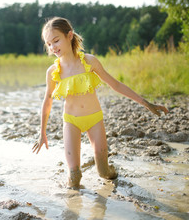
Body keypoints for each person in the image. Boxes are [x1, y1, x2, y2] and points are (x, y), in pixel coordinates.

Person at [32, 17, 168, 188]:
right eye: (48, 44)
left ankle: (113, 172)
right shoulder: (53, 71)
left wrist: (146, 103)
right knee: (74, 178)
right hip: (71, 121)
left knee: (104, 173)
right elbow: (47, 101)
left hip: (94, 119)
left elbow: (115, 84)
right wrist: (42, 132)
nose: (53, 47)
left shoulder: (89, 61)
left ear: (69, 35)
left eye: (56, 41)